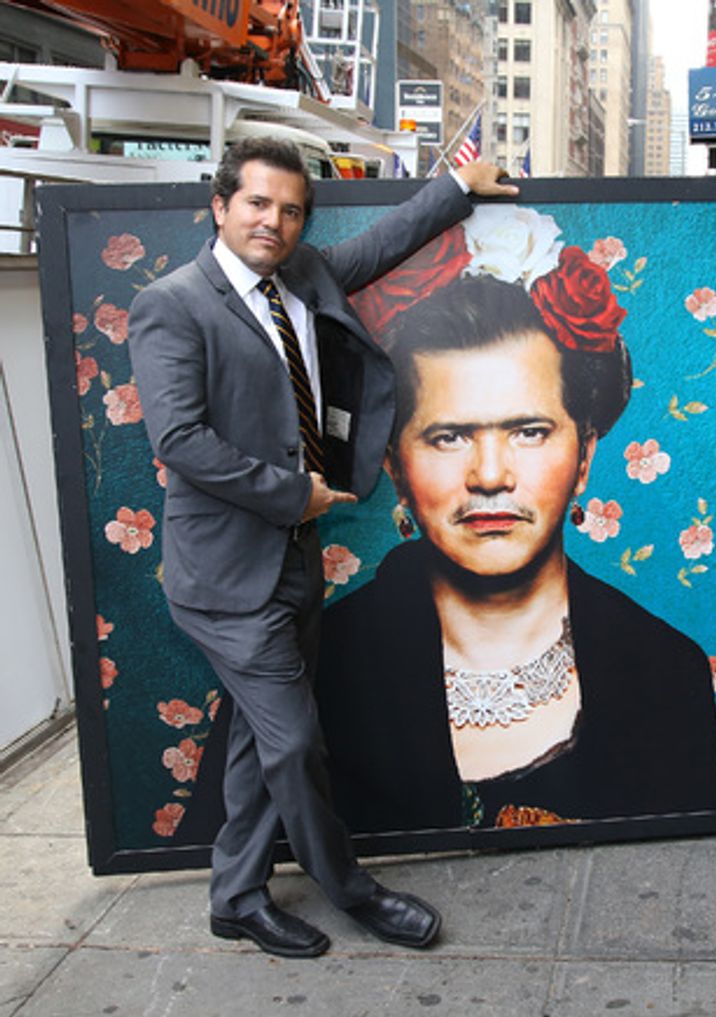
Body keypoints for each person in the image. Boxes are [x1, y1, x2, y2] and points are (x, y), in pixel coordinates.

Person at [127, 136, 517, 959]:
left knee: (259, 738)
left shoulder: (302, 275)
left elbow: (382, 243)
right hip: (227, 576)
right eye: (259, 203)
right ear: (221, 206)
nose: (274, 221)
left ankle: (234, 894)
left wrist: (459, 184)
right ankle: (355, 891)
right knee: (295, 739)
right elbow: (180, 439)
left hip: (294, 560)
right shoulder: (173, 303)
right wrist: (290, 493)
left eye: (291, 209)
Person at [314, 207, 716, 833]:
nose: (490, 475)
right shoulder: (314, 666)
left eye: (529, 432)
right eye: (449, 436)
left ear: (584, 455)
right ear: (395, 464)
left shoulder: (665, 670)